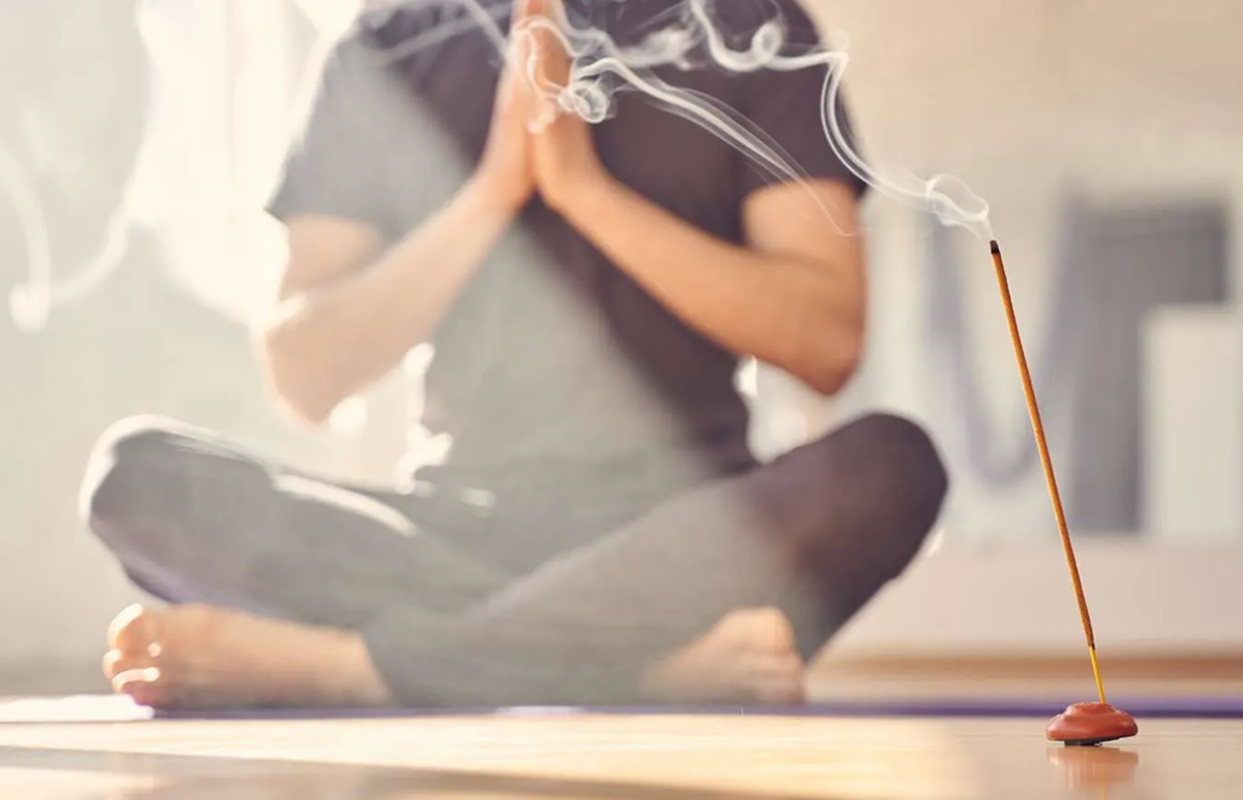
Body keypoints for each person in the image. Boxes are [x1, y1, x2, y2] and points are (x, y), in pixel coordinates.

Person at [84, 0, 948, 709]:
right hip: (451, 530)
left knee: (892, 466)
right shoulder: (388, 46)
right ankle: (642, 671)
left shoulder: (756, 31)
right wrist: (494, 191)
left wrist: (585, 193)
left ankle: (359, 672)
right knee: (138, 477)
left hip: (686, 538)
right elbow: (303, 373)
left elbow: (827, 341)